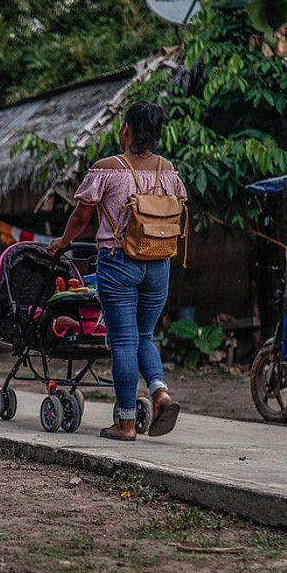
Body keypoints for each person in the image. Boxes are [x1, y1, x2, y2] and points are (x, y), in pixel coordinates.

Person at [46, 101, 185, 440]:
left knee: (123, 340)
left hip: (118, 260)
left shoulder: (107, 168)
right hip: (160, 263)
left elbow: (81, 216)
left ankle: (125, 423)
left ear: (126, 130)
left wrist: (63, 241)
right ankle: (159, 392)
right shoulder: (168, 171)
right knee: (143, 336)